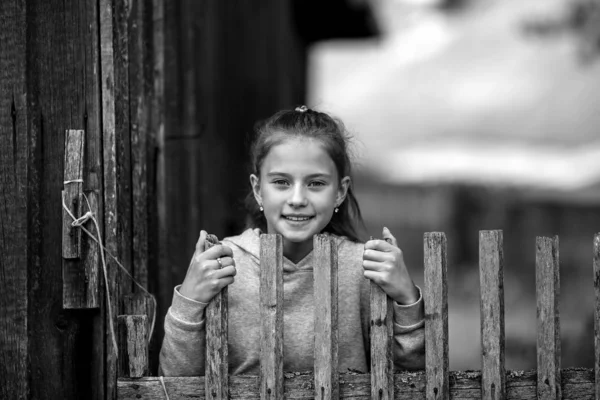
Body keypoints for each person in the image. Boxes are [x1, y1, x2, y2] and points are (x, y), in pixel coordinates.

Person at [159, 106, 425, 376]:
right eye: (281, 182)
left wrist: (407, 299)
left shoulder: (364, 269)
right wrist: (189, 301)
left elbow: (409, 382)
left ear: (340, 191)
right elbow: (175, 382)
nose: (297, 199)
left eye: (316, 183)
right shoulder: (222, 265)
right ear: (258, 189)